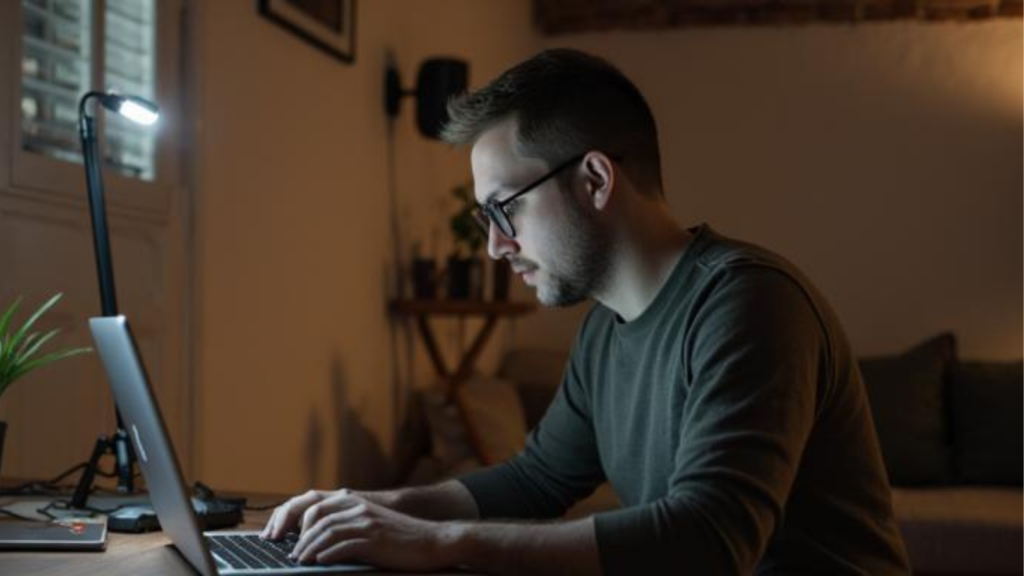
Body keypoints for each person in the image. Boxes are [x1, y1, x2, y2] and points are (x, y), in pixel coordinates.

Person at [262, 48, 911, 575]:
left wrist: (444, 542)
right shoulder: (604, 327)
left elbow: (711, 539)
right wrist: (373, 506)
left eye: (503, 209)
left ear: (596, 180)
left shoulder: (751, 302)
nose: (494, 246)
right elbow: (538, 480)